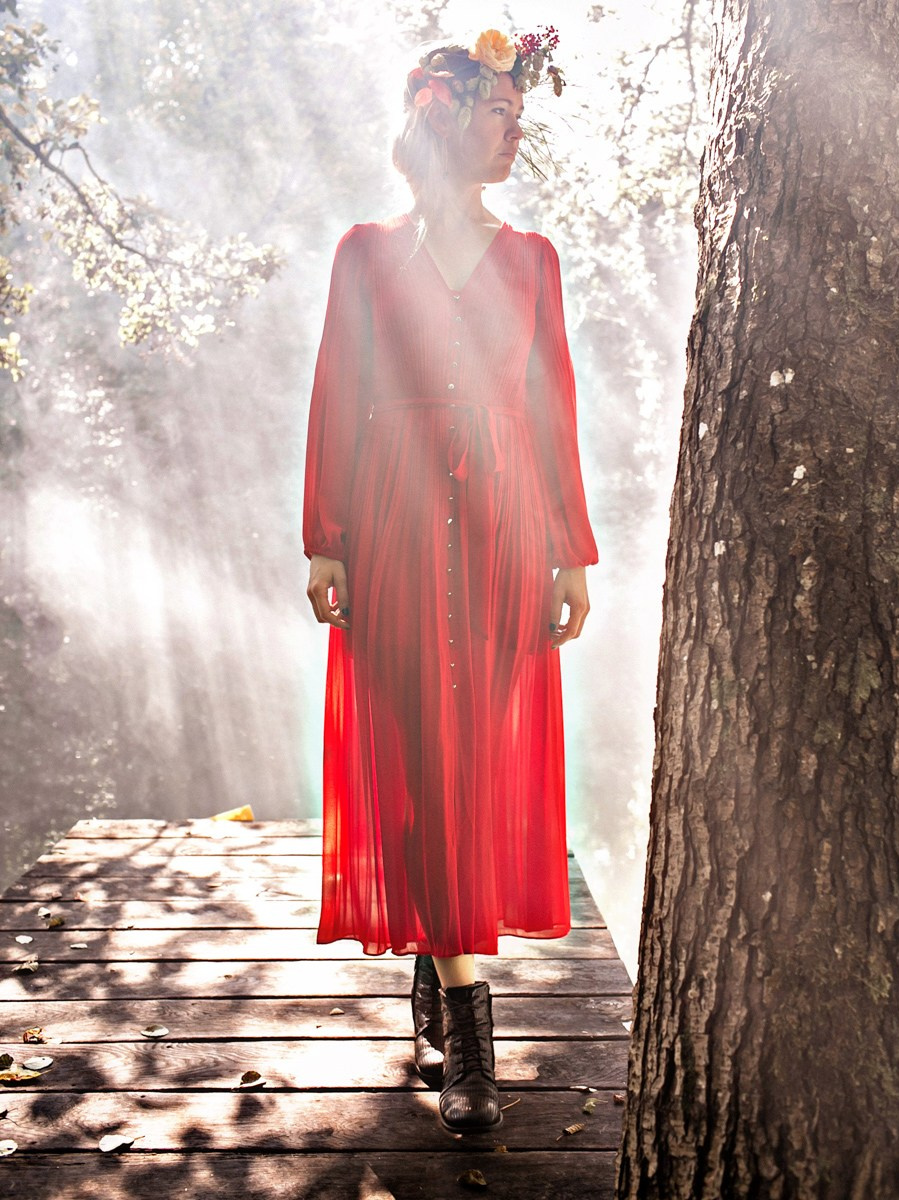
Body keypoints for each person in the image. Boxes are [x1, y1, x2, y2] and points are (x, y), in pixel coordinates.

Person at [302, 27, 598, 1134]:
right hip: (388, 520)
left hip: (505, 527)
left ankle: (441, 974)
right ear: (441, 114)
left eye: (522, 117)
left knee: (473, 760)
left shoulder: (533, 260)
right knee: (417, 752)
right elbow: (337, 389)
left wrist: (571, 547)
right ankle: (469, 1024)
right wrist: (323, 535)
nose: (514, 133)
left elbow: (554, 409)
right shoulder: (365, 254)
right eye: (497, 114)